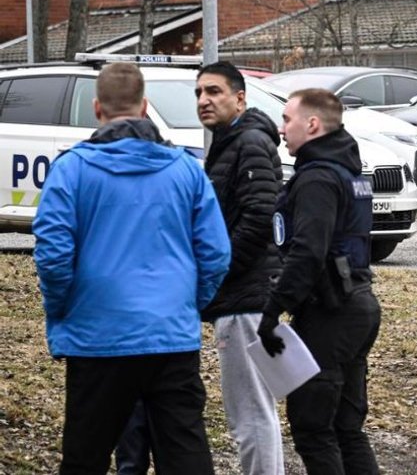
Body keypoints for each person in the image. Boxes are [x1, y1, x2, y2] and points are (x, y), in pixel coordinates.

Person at [32, 62, 230, 475]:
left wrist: (64, 307)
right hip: (170, 337)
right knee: (186, 455)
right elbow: (215, 253)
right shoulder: (185, 170)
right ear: (144, 107)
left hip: (98, 336)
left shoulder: (71, 170)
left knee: (85, 456)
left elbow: (52, 254)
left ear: (95, 108)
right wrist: (186, 303)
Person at [260, 88, 382, 475]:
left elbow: (308, 252)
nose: (282, 130)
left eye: (287, 120)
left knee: (314, 428)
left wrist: (272, 310)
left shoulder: (317, 179)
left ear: (312, 124)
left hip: (331, 313)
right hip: (358, 306)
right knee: (346, 429)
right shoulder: (349, 171)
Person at [196, 61, 287, 475]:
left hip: (243, 297)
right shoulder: (230, 142)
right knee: (254, 410)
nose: (204, 101)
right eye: (199, 93)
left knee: (250, 414)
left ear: (239, 98)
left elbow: (257, 218)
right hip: (240, 295)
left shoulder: (247, 142)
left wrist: (216, 273)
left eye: (214, 91)